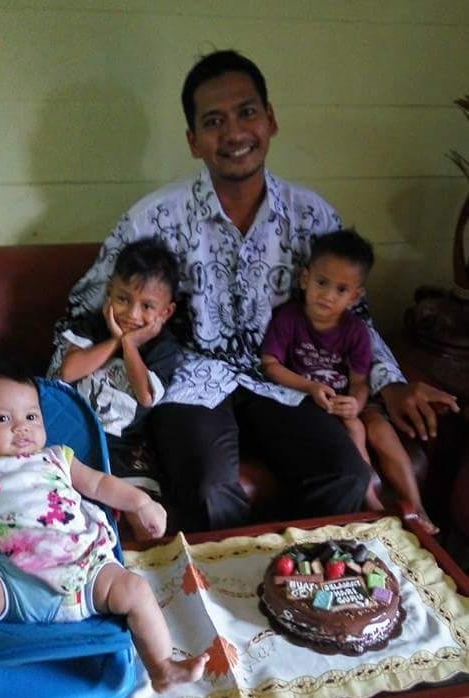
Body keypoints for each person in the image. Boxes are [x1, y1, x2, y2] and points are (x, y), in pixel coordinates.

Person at [49, 49, 458, 533]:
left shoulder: (311, 216)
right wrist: (50, 399)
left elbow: (356, 314)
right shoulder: (152, 220)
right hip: (189, 380)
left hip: (283, 377)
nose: (235, 133)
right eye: (214, 121)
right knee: (207, 490)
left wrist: (390, 384)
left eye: (247, 113)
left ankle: (309, 596)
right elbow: (84, 309)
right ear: (194, 141)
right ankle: (219, 602)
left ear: (271, 120)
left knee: (345, 474)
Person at [0, 360, 209, 691]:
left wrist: (142, 502)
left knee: (134, 589)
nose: (22, 427)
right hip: (6, 580)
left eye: (31, 417)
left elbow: (102, 485)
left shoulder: (57, 458)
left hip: (84, 574)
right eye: (3, 418)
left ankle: (162, 668)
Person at [261, 229, 438, 533]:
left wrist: (355, 402)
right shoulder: (288, 319)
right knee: (354, 429)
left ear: (355, 296)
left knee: (378, 427)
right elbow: (270, 365)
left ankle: (416, 508)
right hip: (308, 402)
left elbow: (359, 380)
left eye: (341, 290)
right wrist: (309, 387)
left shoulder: (356, 331)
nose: (328, 295)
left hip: (347, 400)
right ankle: (373, 505)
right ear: (305, 279)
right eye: (321, 283)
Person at [50, 237, 182, 506]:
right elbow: (69, 371)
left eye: (147, 307)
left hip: (122, 446)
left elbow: (146, 395)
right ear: (109, 292)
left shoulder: (163, 347)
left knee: (142, 509)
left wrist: (130, 345)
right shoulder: (91, 325)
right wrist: (115, 341)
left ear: (166, 312)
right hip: (69, 434)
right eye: (123, 299)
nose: (132, 314)